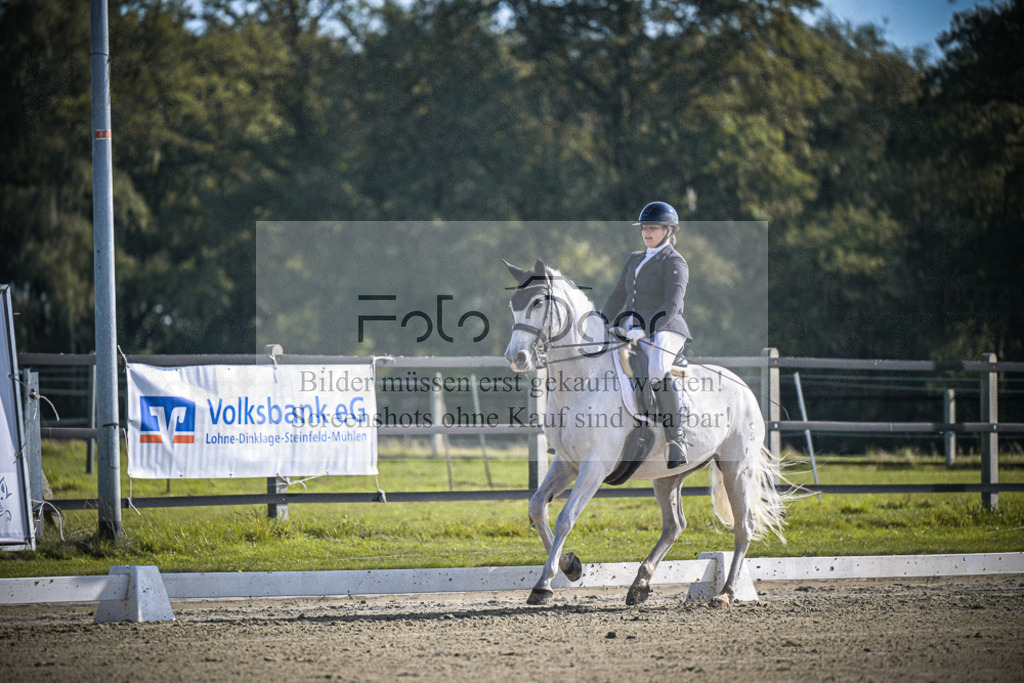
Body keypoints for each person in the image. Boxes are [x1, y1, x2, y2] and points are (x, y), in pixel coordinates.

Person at [600, 201, 692, 468]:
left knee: (655, 369)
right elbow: (618, 295)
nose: (647, 233)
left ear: (669, 230)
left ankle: (676, 439)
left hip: (666, 328)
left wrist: (646, 330)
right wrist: (599, 321)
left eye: (653, 228)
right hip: (632, 326)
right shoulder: (635, 258)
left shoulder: (675, 261)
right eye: (644, 228)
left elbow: (672, 305)